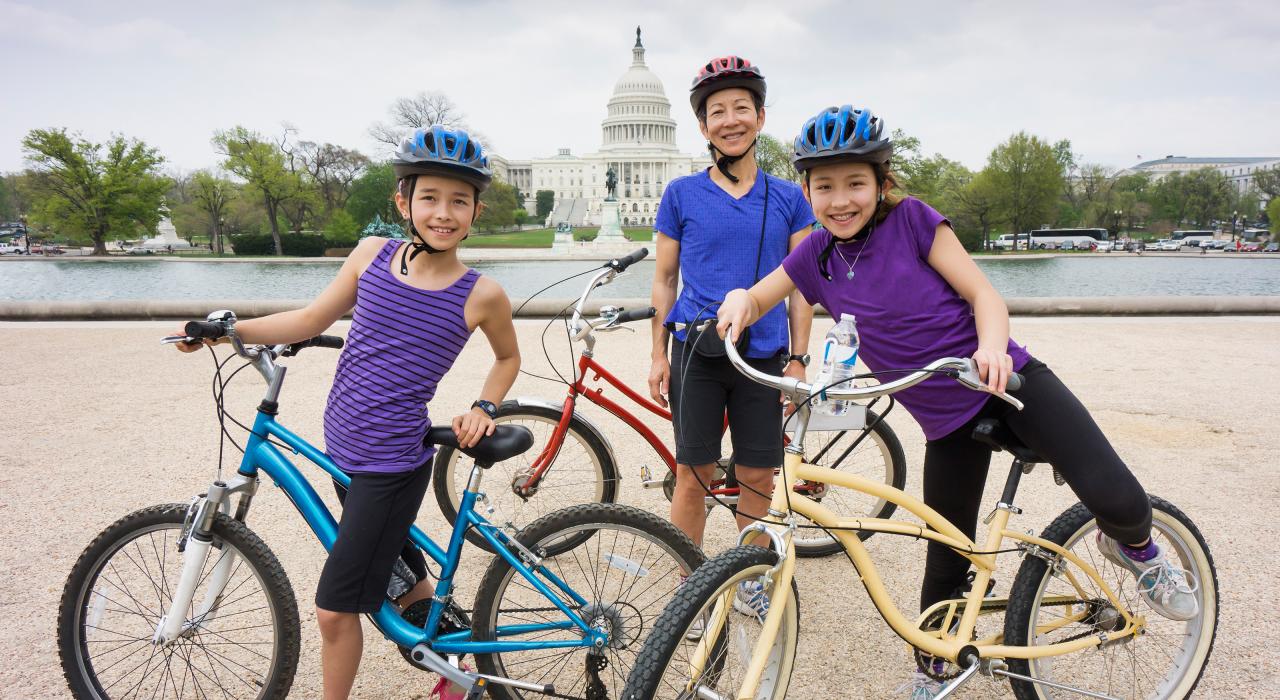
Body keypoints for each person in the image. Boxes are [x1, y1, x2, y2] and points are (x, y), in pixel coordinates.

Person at [715, 105, 1198, 698]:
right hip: (946, 423)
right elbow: (761, 296)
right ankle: (935, 671)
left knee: (1117, 497)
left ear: (881, 182)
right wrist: (740, 300)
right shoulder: (814, 257)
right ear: (807, 191)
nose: (841, 200)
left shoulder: (914, 222)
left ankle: (1141, 552)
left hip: (1009, 386)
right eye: (825, 187)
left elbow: (983, 294)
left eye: (855, 183)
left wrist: (992, 348)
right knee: (944, 561)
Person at [174, 125, 520, 700]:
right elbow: (310, 320)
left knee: (336, 613)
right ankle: (454, 667)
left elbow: (507, 357)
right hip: (347, 450)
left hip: (389, 464)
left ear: (476, 210)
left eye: (459, 201)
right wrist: (225, 330)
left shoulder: (480, 292)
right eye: (429, 197)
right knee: (401, 577)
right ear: (403, 201)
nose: (443, 213)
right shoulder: (369, 255)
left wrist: (483, 404)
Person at [648, 55, 815, 617]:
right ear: (702, 126)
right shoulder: (681, 194)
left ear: (761, 117)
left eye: (741, 107)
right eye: (716, 111)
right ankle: (688, 587)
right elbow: (664, 279)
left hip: (763, 354)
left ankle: (747, 576)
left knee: (757, 473)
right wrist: (657, 353)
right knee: (692, 473)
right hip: (696, 348)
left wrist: (798, 358)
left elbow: (800, 286)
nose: (730, 119)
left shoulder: (790, 197)